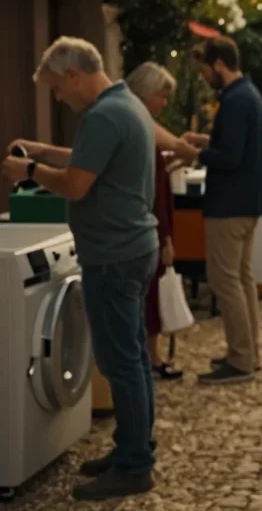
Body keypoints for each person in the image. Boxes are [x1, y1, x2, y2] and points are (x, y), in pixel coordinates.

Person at [3, 38, 159, 501]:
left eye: (56, 87)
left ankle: (134, 466)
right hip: (133, 247)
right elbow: (86, 158)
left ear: (73, 75)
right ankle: (135, 448)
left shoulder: (104, 115)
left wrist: (28, 169)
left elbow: (75, 185)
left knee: (121, 363)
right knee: (132, 359)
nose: (58, 97)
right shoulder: (124, 104)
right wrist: (41, 151)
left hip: (113, 254)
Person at [175, 36, 262, 385]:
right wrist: (204, 142)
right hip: (248, 202)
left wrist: (192, 153)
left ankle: (241, 359)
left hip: (228, 204)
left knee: (224, 280)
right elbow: (236, 146)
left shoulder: (234, 100)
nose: (204, 78)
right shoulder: (249, 95)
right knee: (242, 279)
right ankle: (248, 352)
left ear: (217, 65)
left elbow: (229, 157)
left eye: (204, 71)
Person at [124, 62, 182, 381]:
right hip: (150, 230)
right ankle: (151, 356)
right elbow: (154, 195)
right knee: (150, 298)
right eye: (161, 96)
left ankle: (151, 354)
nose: (164, 103)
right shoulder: (142, 130)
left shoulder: (139, 127)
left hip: (149, 229)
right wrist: (166, 238)